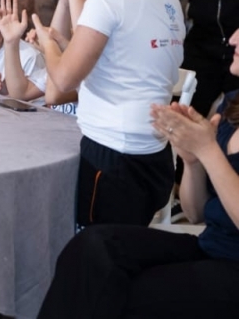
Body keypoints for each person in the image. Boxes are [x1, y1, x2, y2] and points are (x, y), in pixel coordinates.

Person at [36, 33, 239, 318]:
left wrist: (208, 151)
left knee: (122, 294)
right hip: (212, 247)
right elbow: (196, 214)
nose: (232, 39)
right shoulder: (232, 106)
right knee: (94, 246)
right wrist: (192, 161)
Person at [32, 0, 184, 227]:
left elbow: (64, 79)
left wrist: (47, 42)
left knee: (99, 248)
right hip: (156, 155)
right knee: (126, 246)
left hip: (115, 157)